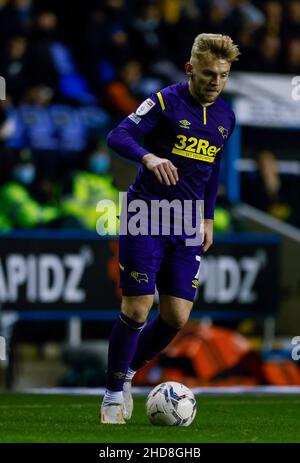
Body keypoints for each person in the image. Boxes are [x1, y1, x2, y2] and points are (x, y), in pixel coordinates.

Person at [100, 33, 240, 424]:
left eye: (224, 75)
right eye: (209, 73)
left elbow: (211, 169)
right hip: (145, 214)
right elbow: (118, 134)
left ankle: (127, 372)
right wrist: (148, 156)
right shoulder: (165, 101)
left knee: (177, 316)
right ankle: (112, 398)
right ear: (190, 69)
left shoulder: (226, 117)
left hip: (188, 223)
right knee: (137, 308)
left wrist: (208, 218)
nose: (216, 82)